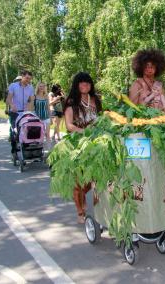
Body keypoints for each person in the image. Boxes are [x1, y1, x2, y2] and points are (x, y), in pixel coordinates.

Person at [64, 72, 102, 223]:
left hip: (96, 143)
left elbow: (101, 118)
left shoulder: (95, 100)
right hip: (77, 143)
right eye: (82, 82)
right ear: (77, 84)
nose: (85, 85)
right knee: (79, 181)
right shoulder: (71, 101)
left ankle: (86, 199)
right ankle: (80, 211)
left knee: (94, 178)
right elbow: (68, 125)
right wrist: (84, 132)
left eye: (88, 82)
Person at [6, 70, 34, 153]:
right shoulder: (13, 86)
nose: (28, 80)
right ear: (22, 76)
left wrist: (29, 107)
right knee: (14, 130)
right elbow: (8, 98)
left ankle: (25, 146)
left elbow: (32, 100)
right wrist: (12, 105)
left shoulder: (31, 87)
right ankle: (14, 148)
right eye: (27, 78)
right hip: (15, 112)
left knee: (27, 129)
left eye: (30, 79)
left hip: (25, 112)